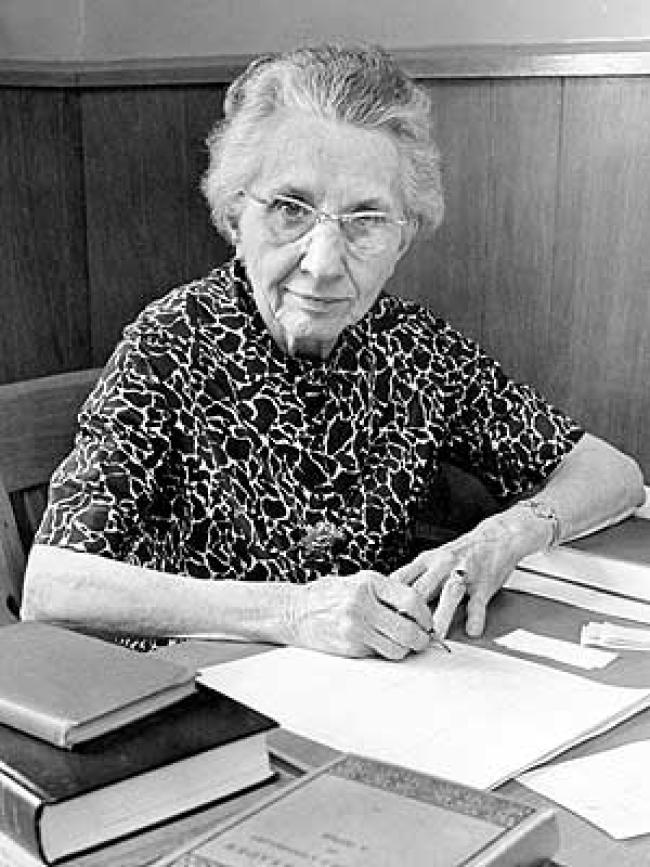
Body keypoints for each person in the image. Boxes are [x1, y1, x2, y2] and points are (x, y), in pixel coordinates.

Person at [21, 43, 643, 658]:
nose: (322, 265)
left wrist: (507, 534)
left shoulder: (413, 347)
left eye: (366, 219)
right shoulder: (172, 342)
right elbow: (53, 587)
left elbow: (612, 473)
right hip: (208, 707)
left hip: (377, 692)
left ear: (404, 239)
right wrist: (293, 612)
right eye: (291, 210)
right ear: (237, 216)